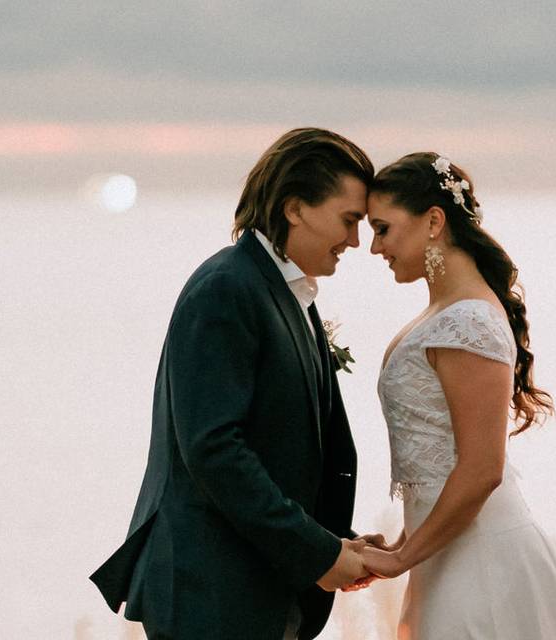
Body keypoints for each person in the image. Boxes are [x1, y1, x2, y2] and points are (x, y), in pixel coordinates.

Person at [89, 128, 380, 639]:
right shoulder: (226, 289)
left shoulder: (287, 293)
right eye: (348, 220)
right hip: (213, 595)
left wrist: (338, 546)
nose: (355, 241)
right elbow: (215, 450)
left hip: (261, 590)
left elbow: (281, 449)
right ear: (295, 208)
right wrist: (316, 553)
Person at [360, 153, 556, 639]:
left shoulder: (467, 322)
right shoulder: (446, 313)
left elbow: (482, 468)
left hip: (485, 566)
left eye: (383, 229)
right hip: (446, 557)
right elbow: (439, 458)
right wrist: (403, 543)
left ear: (434, 221)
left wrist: (401, 557)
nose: (374, 247)